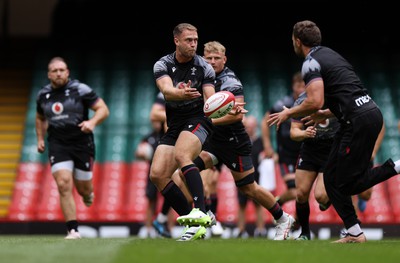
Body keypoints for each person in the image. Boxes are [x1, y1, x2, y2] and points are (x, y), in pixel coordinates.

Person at [267, 20, 400, 243]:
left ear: (298, 42)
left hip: (355, 122)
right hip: (367, 113)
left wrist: (289, 113)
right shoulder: (332, 55)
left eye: (292, 41)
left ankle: (394, 167)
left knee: (344, 183)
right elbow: (345, 94)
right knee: (331, 179)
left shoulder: (310, 63)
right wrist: (325, 114)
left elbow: (315, 99)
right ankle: (354, 232)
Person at [192, 40, 295, 241]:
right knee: (185, 171)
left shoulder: (231, 81)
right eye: (208, 58)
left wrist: (207, 120)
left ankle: (283, 218)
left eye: (216, 58)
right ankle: (206, 214)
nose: (212, 62)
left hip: (234, 142)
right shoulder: (200, 78)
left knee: (249, 188)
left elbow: (237, 116)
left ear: (224, 59)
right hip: (213, 142)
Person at [150, 23, 217, 241]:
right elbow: (167, 91)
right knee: (158, 174)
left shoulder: (204, 67)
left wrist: (222, 105)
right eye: (189, 40)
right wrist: (180, 94)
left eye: (196, 40)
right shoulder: (163, 64)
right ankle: (194, 221)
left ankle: (201, 210)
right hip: (175, 122)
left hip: (199, 119)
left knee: (182, 155)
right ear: (176, 41)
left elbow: (210, 98)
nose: (194, 44)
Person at [35, 56, 110, 239]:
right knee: (63, 183)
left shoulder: (80, 89)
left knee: (83, 189)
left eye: (62, 70)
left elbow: (103, 109)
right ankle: (73, 229)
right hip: (58, 143)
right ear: (49, 74)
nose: (59, 73)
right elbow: (40, 117)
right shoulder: (43, 95)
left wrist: (92, 122)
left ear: (67, 72)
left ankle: (87, 193)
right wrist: (40, 138)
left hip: (82, 143)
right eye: (55, 70)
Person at [290, 90, 340, 240]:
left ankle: (331, 196)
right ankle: (305, 233)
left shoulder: (337, 97)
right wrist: (304, 134)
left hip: (332, 150)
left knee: (321, 197)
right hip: (310, 150)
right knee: (300, 194)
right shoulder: (302, 101)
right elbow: (294, 132)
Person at [261, 72, 305, 206]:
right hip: (287, 155)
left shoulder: (311, 104)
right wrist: (268, 145)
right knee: (293, 191)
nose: (301, 89)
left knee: (303, 192)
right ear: (293, 86)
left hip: (304, 153)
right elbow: (265, 122)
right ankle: (277, 203)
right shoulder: (284, 104)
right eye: (298, 85)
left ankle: (300, 223)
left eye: (304, 86)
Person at [135, 111, 172, 238]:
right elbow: (138, 154)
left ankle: (169, 229)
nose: (156, 124)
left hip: (168, 171)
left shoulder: (168, 135)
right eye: (154, 122)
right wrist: (141, 153)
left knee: (171, 200)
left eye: (158, 122)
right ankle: (148, 228)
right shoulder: (148, 137)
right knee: (151, 200)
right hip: (153, 172)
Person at [233, 115, 268, 238]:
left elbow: (271, 155)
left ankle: (260, 229)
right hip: (242, 175)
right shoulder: (240, 140)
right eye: (248, 126)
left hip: (257, 177)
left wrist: (268, 157)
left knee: (258, 204)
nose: (250, 129)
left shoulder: (260, 142)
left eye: (252, 127)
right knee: (241, 204)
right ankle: (241, 229)